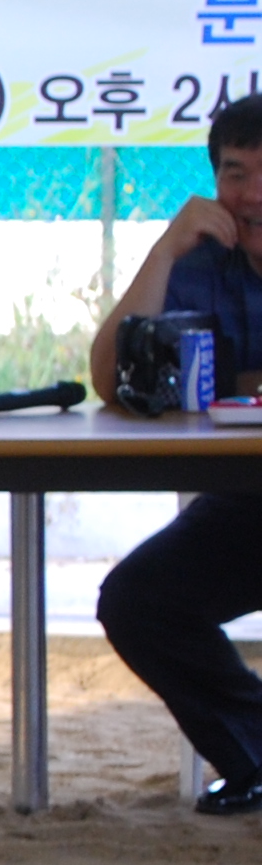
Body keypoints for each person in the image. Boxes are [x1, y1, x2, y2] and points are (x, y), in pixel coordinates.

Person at [90, 92, 262, 816]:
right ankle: (255, 755)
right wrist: (164, 249)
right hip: (247, 502)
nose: (251, 195)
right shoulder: (202, 261)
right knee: (138, 602)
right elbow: (112, 381)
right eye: (235, 174)